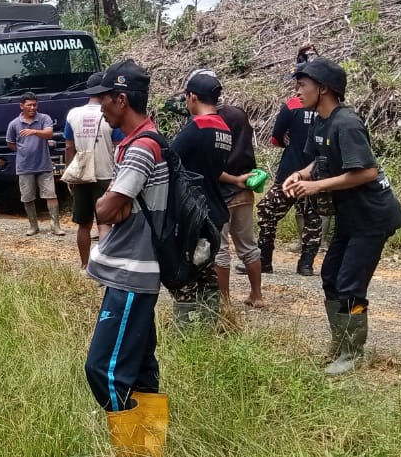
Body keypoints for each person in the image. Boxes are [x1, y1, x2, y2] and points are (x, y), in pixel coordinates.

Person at [283, 58, 401, 375]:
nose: (297, 90)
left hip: (372, 217)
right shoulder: (320, 121)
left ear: (323, 88)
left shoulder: (347, 123)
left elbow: (367, 171)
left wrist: (317, 186)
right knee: (330, 277)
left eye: (303, 84)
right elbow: (319, 161)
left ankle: (353, 353)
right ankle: (340, 344)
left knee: (350, 285)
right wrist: (301, 175)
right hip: (349, 216)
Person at [82, 60, 170, 457]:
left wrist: (106, 202)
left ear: (121, 99)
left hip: (133, 272)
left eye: (103, 99)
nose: (100, 107)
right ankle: (151, 449)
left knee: (104, 370)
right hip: (135, 269)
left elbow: (106, 209)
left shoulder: (142, 148)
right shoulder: (140, 141)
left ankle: (133, 451)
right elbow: (116, 208)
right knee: (142, 371)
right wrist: (114, 204)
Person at [258, 46, 324, 276]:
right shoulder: (327, 111)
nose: (298, 88)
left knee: (267, 211)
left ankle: (264, 260)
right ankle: (305, 264)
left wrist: (288, 142)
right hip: (316, 174)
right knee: (312, 219)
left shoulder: (291, 106)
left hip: (290, 172)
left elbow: (276, 138)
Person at [170, 71, 233, 305]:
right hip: (215, 209)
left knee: (187, 273)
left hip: (194, 212)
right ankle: (211, 315)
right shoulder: (224, 129)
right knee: (206, 271)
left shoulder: (197, 126)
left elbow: (170, 159)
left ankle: (190, 318)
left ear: (192, 97)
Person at [63, 73, 123, 267]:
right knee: (104, 223)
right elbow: (119, 147)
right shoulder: (110, 113)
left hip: (81, 175)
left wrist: (70, 173)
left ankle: (84, 265)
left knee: (84, 225)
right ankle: (103, 267)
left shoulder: (73, 114)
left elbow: (69, 147)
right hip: (106, 175)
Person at [216, 99, 267, 308]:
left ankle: (224, 301)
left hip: (221, 191)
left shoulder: (210, 119)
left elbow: (210, 163)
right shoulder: (239, 114)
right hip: (245, 186)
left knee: (220, 249)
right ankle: (257, 295)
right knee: (248, 246)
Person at [7, 92, 64, 236]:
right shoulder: (14, 124)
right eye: (29, 105)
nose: (32, 108)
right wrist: (23, 150)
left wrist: (34, 131)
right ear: (21, 106)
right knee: (27, 197)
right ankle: (33, 226)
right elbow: (10, 143)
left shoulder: (44, 118)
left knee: (51, 194)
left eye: (35, 105)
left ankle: (55, 225)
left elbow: (49, 134)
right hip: (24, 166)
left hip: (44, 165)